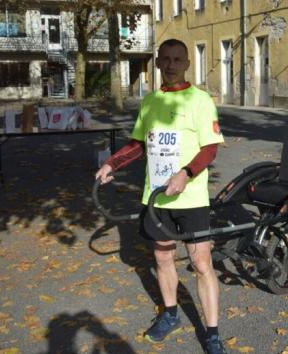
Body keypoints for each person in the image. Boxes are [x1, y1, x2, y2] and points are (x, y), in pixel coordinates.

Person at [95, 39, 227, 354]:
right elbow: (140, 144)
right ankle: (170, 314)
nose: (170, 65)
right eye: (165, 59)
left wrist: (186, 173)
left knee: (201, 262)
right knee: (162, 257)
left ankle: (211, 332)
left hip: (191, 199)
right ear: (157, 63)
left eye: (177, 59)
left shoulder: (200, 100)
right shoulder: (151, 102)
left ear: (186, 64)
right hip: (156, 199)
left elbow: (210, 148)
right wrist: (111, 163)